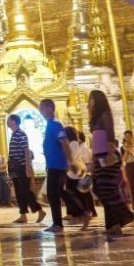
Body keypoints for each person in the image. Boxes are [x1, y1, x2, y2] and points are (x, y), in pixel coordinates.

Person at [88, 90, 134, 238]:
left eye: (91, 100)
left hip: (108, 155)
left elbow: (109, 136)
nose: (88, 103)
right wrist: (95, 161)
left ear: (98, 101)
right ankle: (113, 224)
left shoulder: (104, 116)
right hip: (100, 156)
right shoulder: (95, 119)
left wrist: (108, 155)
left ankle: (124, 215)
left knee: (106, 190)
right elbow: (96, 143)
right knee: (101, 189)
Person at [40, 99, 87, 233]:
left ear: (49, 108)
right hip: (53, 164)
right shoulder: (50, 125)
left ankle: (59, 223)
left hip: (57, 164)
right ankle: (82, 213)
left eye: (42, 108)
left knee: (53, 194)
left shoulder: (55, 124)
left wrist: (71, 162)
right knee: (59, 192)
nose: (41, 111)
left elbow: (64, 143)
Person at [6, 113, 45, 224]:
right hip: (14, 167)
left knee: (25, 190)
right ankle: (23, 215)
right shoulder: (14, 134)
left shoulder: (21, 134)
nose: (7, 122)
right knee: (18, 191)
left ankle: (40, 210)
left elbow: (26, 151)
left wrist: (28, 166)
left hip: (21, 166)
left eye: (9, 120)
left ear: (14, 121)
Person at [75, 132, 97, 217]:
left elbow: (86, 161)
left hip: (85, 171)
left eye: (77, 138)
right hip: (83, 170)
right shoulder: (81, 147)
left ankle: (90, 210)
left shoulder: (83, 148)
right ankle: (90, 210)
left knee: (85, 193)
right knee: (86, 193)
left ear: (80, 138)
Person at [121, 130, 134, 213]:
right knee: (132, 186)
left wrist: (131, 150)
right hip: (129, 165)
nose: (128, 138)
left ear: (132, 137)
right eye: (126, 136)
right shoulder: (122, 147)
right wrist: (126, 150)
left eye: (129, 136)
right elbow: (123, 159)